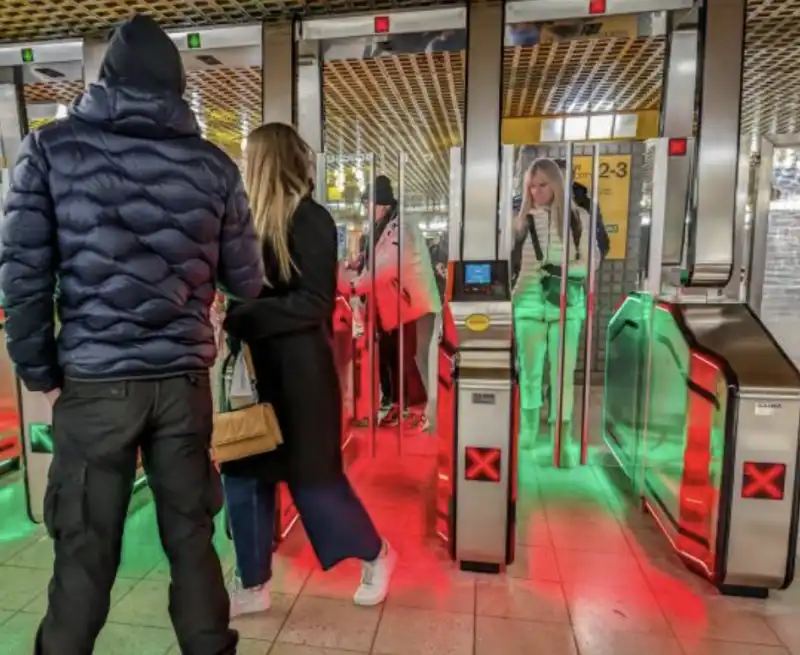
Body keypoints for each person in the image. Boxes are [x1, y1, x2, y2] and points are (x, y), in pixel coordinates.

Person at [0, 15, 264, 654]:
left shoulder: (49, 151)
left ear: (105, 79)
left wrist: (42, 375)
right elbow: (247, 282)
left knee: (84, 558)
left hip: (94, 386)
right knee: (191, 541)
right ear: (176, 85)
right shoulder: (214, 166)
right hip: (182, 383)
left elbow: (23, 282)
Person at [222, 123, 397, 618]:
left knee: (314, 483)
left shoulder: (310, 219)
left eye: (247, 157)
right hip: (258, 375)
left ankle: (376, 554)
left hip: (301, 377)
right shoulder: (250, 222)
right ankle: (251, 582)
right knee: (243, 475)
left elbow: (315, 302)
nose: (242, 164)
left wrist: (239, 315)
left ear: (266, 162)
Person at [511, 158, 599, 467]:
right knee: (530, 372)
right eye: (531, 186)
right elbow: (509, 264)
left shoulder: (579, 219)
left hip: (566, 304)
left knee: (563, 373)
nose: (535, 191)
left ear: (557, 184)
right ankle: (530, 429)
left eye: (542, 184)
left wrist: (560, 270)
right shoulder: (520, 220)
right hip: (527, 304)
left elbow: (591, 262)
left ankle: (563, 436)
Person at [351, 176, 441, 429]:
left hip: (414, 307)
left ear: (383, 204)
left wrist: (354, 286)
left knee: (413, 359)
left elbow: (387, 267)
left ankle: (421, 412)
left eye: (368, 203)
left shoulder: (402, 228)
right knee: (395, 360)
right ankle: (399, 406)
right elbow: (372, 265)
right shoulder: (381, 228)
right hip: (394, 309)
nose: (366, 208)